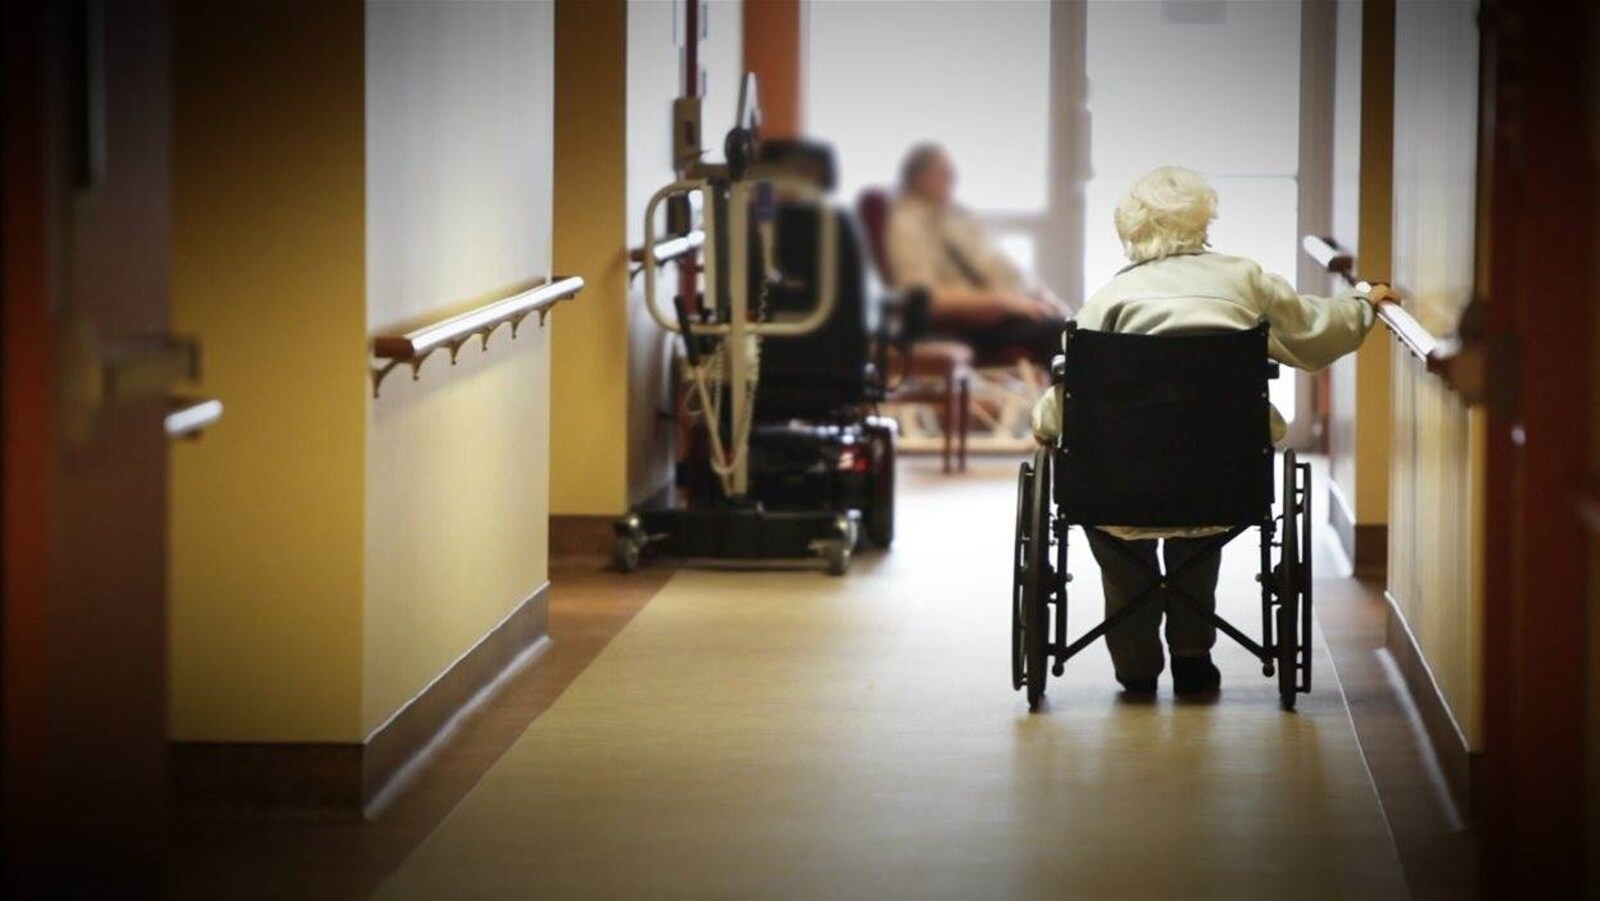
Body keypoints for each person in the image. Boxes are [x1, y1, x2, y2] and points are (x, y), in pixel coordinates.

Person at [1031, 166, 1396, 696]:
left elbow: (1073, 395)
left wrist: (1043, 429)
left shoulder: (1108, 301)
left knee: (1119, 538)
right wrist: (1366, 303)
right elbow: (1316, 332)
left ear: (1130, 229)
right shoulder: (1245, 280)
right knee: (1197, 529)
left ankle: (1134, 662)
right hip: (1222, 478)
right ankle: (1193, 655)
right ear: (1204, 219)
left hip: (1120, 486)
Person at [886, 143, 1071, 362]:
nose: (953, 180)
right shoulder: (905, 224)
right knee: (1058, 334)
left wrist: (1042, 296)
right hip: (965, 320)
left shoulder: (956, 218)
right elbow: (924, 299)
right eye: (944, 174)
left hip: (1004, 307)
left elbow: (1002, 266)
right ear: (920, 178)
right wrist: (1003, 302)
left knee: (1070, 323)